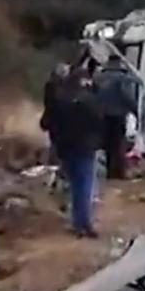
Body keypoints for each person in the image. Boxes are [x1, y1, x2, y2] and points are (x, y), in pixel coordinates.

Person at [48, 65, 104, 238]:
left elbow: (50, 123)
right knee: (85, 185)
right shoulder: (90, 100)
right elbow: (99, 122)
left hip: (66, 148)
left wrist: (57, 143)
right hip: (84, 147)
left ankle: (77, 221)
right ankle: (83, 223)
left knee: (74, 185)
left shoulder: (61, 99)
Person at [94, 57, 139, 180]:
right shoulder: (122, 78)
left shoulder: (98, 77)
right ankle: (118, 171)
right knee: (118, 143)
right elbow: (127, 96)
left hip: (102, 115)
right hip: (118, 115)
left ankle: (109, 170)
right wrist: (135, 110)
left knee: (107, 144)